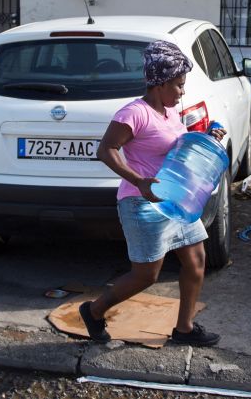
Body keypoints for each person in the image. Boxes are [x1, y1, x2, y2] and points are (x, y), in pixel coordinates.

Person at [79, 40, 225, 347]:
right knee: (146, 275)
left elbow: (174, 149)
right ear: (159, 83)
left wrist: (206, 138)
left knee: (196, 260)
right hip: (141, 202)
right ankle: (94, 311)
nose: (182, 92)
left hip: (175, 199)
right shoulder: (135, 112)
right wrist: (140, 180)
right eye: (178, 85)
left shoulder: (171, 113)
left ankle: (184, 329)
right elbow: (107, 150)